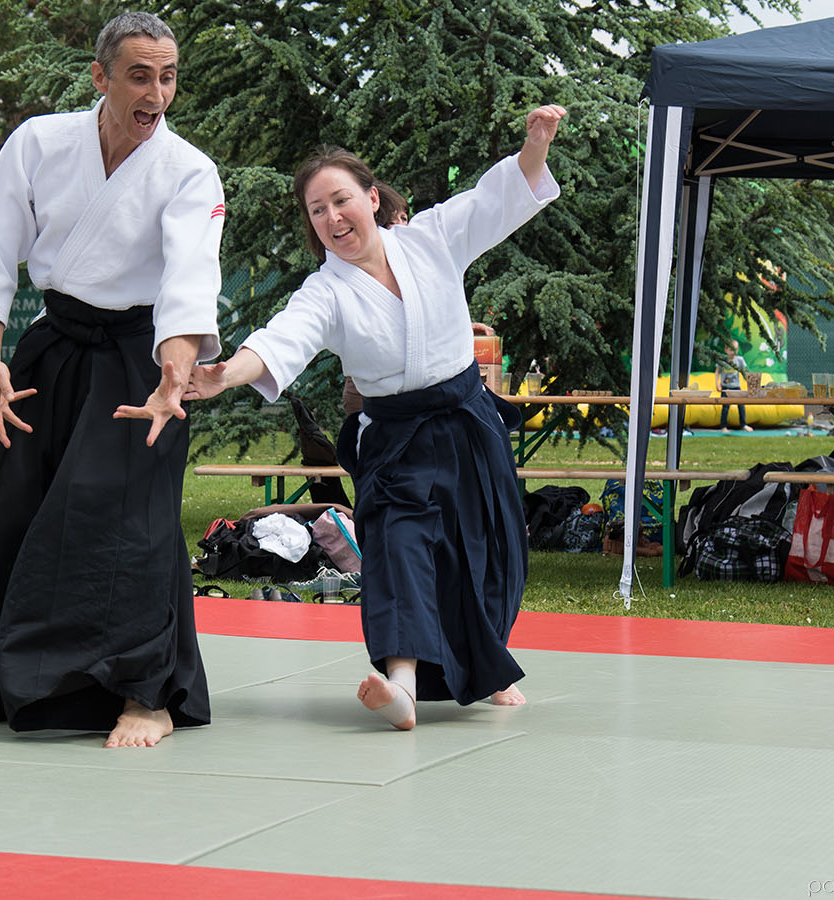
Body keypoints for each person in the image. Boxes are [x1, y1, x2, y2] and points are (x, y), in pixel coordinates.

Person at [0, 11, 223, 749]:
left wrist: (174, 375)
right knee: (4, 503)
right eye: (140, 76)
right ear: (100, 77)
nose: (156, 94)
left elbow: (190, 283)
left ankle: (146, 695)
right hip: (54, 347)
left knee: (129, 518)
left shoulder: (188, 170)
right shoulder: (39, 142)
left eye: (168, 78)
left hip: (140, 362)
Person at [184, 105, 566, 730]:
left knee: (488, 549)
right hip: (396, 438)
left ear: (371, 197)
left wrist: (535, 147)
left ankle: (489, 667)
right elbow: (281, 339)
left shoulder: (430, 238)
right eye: (317, 210)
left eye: (341, 200)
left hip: (468, 421)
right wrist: (224, 374)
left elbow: (495, 201)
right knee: (397, 546)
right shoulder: (326, 291)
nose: (333, 218)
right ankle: (402, 687)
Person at [342, 182, 496, 416]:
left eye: (404, 218)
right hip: (375, 399)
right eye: (391, 222)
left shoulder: (421, 259)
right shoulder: (354, 276)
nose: (401, 226)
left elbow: (423, 317)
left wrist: (462, 327)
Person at [718, 339, 754, 432]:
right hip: (725, 387)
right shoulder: (723, 360)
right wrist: (717, 384)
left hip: (736, 386)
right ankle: (723, 426)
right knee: (725, 407)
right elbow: (717, 371)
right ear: (726, 350)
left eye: (735, 349)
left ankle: (743, 424)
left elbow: (744, 371)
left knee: (741, 405)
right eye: (731, 349)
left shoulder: (739, 360)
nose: (733, 352)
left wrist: (748, 381)